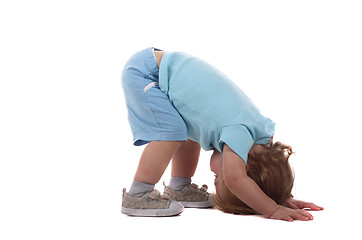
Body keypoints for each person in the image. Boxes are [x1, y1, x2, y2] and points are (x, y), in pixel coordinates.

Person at [120, 47, 323, 220]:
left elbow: (265, 170)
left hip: (155, 67)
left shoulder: (260, 132)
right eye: (219, 175)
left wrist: (282, 195)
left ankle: (179, 187)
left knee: (189, 132)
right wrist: (273, 208)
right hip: (147, 74)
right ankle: (138, 193)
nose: (215, 177)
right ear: (245, 167)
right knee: (171, 133)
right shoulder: (240, 134)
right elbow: (236, 180)